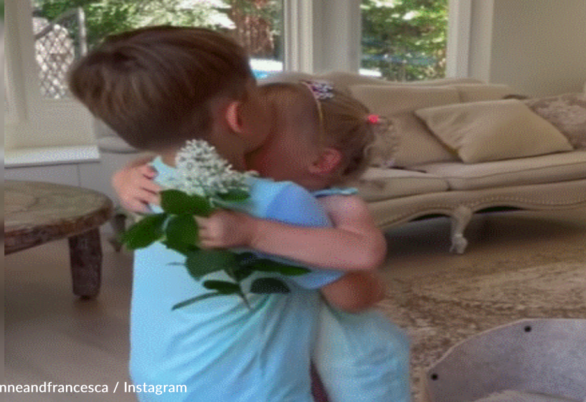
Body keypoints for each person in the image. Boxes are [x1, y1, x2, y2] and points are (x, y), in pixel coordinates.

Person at [69, 26, 384, 402]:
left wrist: (122, 174)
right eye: (257, 88)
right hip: (249, 389)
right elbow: (353, 296)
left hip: (160, 377)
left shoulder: (149, 182)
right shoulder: (280, 202)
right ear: (239, 117)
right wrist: (376, 288)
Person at [115, 81, 412, 402]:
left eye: (258, 140)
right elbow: (174, 157)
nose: (234, 146)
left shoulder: (339, 205)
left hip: (331, 341)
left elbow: (364, 258)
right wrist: (125, 175)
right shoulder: (244, 190)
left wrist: (253, 232)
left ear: (321, 161)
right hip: (281, 339)